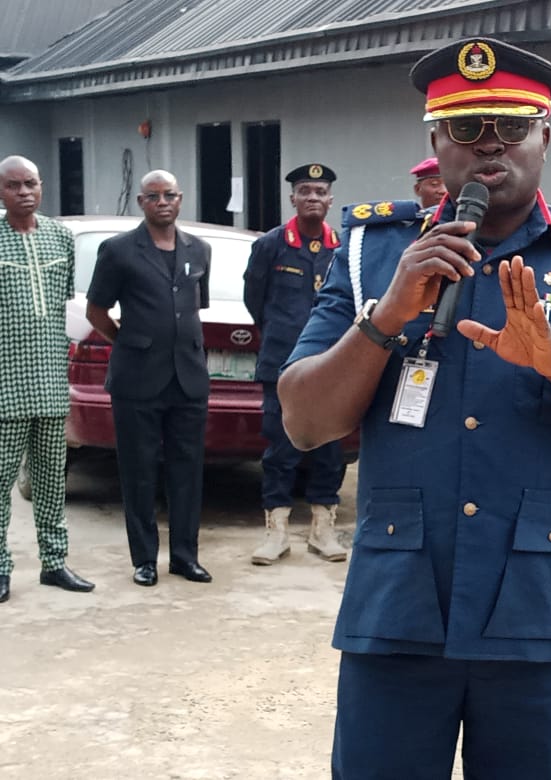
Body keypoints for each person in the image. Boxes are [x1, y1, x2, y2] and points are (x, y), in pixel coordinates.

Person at [277, 37, 551, 779]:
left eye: (511, 125)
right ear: (436, 141)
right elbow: (305, 420)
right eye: (466, 129)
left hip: (539, 617)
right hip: (398, 613)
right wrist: (386, 318)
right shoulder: (374, 253)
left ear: (545, 137)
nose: (489, 144)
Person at [86, 170, 213, 587]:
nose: (163, 202)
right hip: (137, 380)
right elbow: (96, 312)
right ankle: (144, 559)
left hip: (188, 379)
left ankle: (184, 557)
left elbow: (196, 307)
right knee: (139, 472)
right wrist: (129, 342)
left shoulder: (200, 249)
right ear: (141, 202)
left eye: (170, 195)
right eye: (154, 195)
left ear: (181, 199)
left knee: (188, 471)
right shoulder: (119, 251)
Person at [0, 155, 95, 604]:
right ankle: (1, 568)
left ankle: (54, 563)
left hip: (51, 380)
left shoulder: (61, 237)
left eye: (31, 184)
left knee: (51, 480)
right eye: (14, 185)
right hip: (6, 383)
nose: (24, 192)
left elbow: (61, 305)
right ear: (1, 191)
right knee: (1, 483)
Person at [243, 163, 347, 565]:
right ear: (293, 198)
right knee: (280, 448)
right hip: (283, 365)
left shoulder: (342, 246)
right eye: (305, 191)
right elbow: (256, 302)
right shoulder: (271, 245)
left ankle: (323, 531)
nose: (313, 199)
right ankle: (277, 533)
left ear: (330, 199)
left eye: (320, 192)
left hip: (332, 366)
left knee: (329, 449)